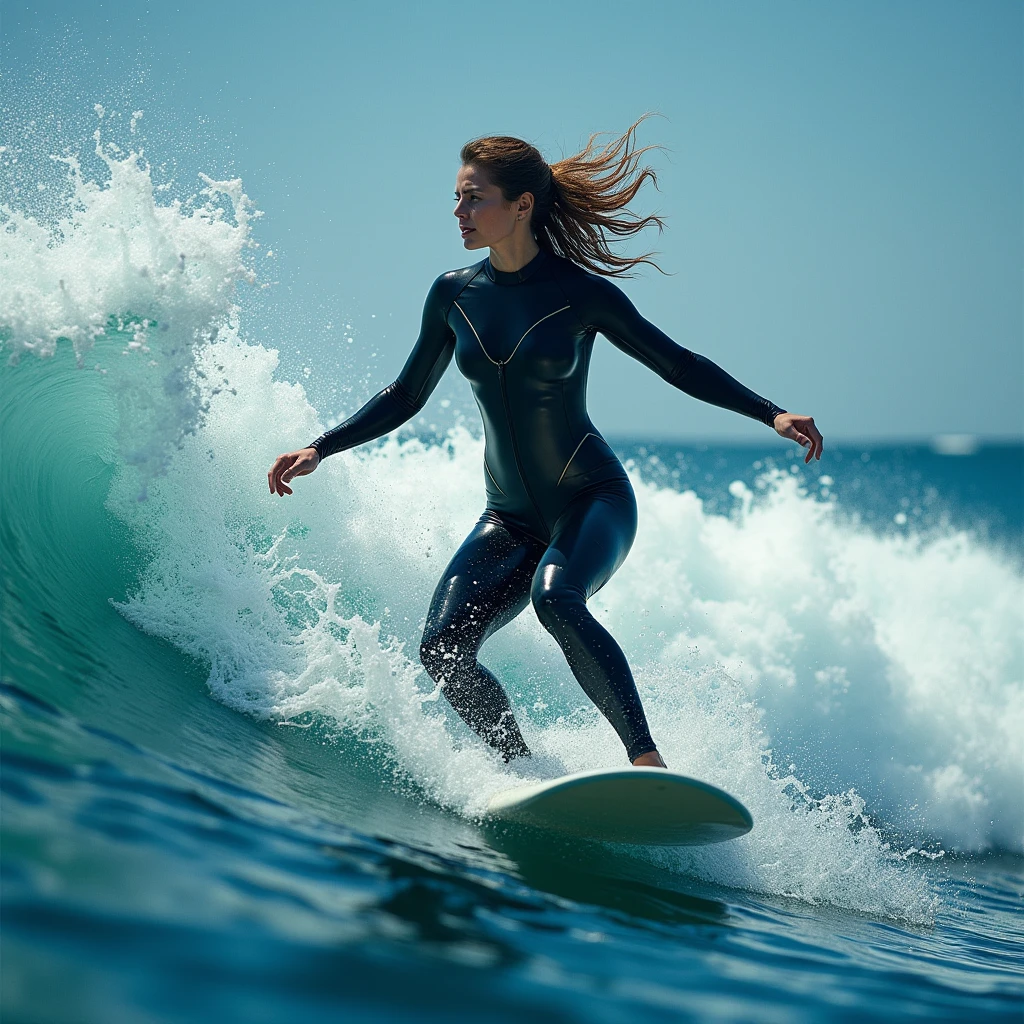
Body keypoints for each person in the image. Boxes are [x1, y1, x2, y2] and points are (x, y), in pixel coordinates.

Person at [268, 118, 823, 769]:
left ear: (522, 204)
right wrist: (321, 447)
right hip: (508, 518)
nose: (459, 211)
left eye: (474, 197)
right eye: (456, 196)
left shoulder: (579, 296)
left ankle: (646, 762)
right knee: (441, 647)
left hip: (592, 500)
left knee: (556, 599)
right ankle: (520, 768)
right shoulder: (455, 294)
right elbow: (405, 393)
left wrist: (771, 413)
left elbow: (676, 362)